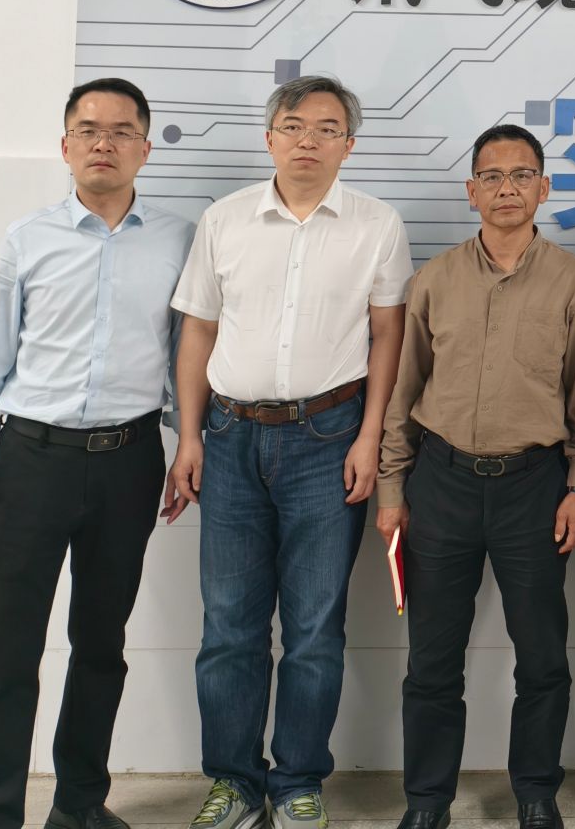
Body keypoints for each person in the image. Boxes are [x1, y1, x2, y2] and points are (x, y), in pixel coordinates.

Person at [0, 79, 194, 829]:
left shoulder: (180, 240)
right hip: (31, 461)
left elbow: (186, 355)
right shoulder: (29, 238)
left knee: (100, 646)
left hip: (129, 461)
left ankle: (80, 806)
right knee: (5, 651)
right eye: (87, 130)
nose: (103, 144)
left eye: (121, 132)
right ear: (65, 146)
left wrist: (187, 445)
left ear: (145, 148)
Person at [168, 76, 412, 829]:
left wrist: (370, 437)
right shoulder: (225, 219)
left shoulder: (377, 224)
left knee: (313, 629)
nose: (309, 139)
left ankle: (298, 782)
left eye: (328, 128)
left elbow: (388, 336)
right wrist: (188, 435)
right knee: (228, 627)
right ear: (270, 137)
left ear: (349, 145)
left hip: (329, 440)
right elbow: (198, 331)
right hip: (228, 438)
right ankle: (234, 783)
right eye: (295, 125)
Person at [377, 124, 575, 829]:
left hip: (535, 486)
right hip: (440, 484)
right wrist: (391, 490)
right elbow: (403, 392)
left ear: (544, 187)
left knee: (542, 656)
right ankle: (426, 801)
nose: (508, 188)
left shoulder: (573, 280)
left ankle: (535, 793)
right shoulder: (433, 281)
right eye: (493, 176)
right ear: (472, 191)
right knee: (432, 660)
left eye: (522, 174)